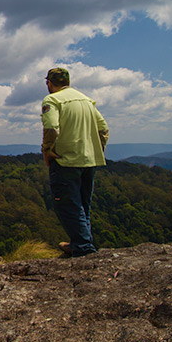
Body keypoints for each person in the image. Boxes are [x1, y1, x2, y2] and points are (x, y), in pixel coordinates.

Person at [41, 67, 109, 257]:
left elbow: (52, 128)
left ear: (50, 83)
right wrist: (97, 150)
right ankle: (80, 242)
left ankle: (83, 249)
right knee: (82, 205)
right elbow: (103, 129)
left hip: (65, 161)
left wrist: (47, 150)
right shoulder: (86, 100)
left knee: (68, 205)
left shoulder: (52, 100)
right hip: (89, 161)